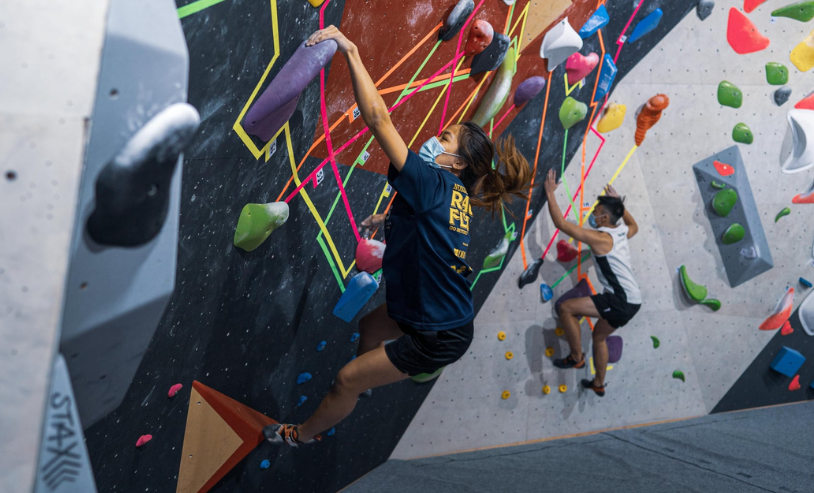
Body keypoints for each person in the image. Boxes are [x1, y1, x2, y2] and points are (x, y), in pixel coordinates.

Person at [264, 26, 532, 446]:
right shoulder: (451, 193)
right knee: (372, 325)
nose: (433, 139)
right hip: (441, 313)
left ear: (456, 163)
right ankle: (368, 380)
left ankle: (301, 435)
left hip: (436, 336)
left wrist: (350, 48)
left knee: (342, 380)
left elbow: (378, 119)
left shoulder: (433, 183)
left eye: (443, 139)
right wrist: (388, 223)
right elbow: (430, 234)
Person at [543, 170, 641, 397]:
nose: (592, 214)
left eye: (595, 212)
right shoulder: (621, 232)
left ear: (604, 218)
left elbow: (561, 224)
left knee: (566, 309)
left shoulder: (601, 238)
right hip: (634, 300)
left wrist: (549, 194)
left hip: (620, 300)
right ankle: (599, 383)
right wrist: (619, 205)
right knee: (599, 337)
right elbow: (634, 226)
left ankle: (576, 358)